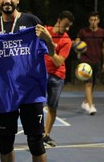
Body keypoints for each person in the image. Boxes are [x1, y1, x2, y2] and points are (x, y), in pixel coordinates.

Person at [0, 0, 55, 162]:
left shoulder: (32, 22)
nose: (7, 0)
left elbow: (52, 53)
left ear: (17, 0)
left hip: (31, 94)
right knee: (5, 143)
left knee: (36, 143)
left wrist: (48, 39)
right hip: (6, 94)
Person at [42, 10, 74, 147]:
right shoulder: (45, 31)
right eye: (65, 25)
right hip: (41, 74)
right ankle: (37, 134)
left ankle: (46, 135)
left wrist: (49, 47)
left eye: (69, 26)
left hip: (57, 76)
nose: (67, 29)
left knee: (52, 107)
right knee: (36, 105)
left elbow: (58, 62)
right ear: (59, 20)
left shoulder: (66, 40)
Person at [75, 11, 104, 115]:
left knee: (93, 84)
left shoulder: (102, 32)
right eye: (91, 20)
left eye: (95, 20)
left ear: (98, 21)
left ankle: (85, 102)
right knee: (88, 83)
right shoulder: (83, 32)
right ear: (89, 20)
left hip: (97, 61)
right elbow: (76, 42)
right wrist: (78, 45)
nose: (93, 22)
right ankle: (91, 106)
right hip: (86, 61)